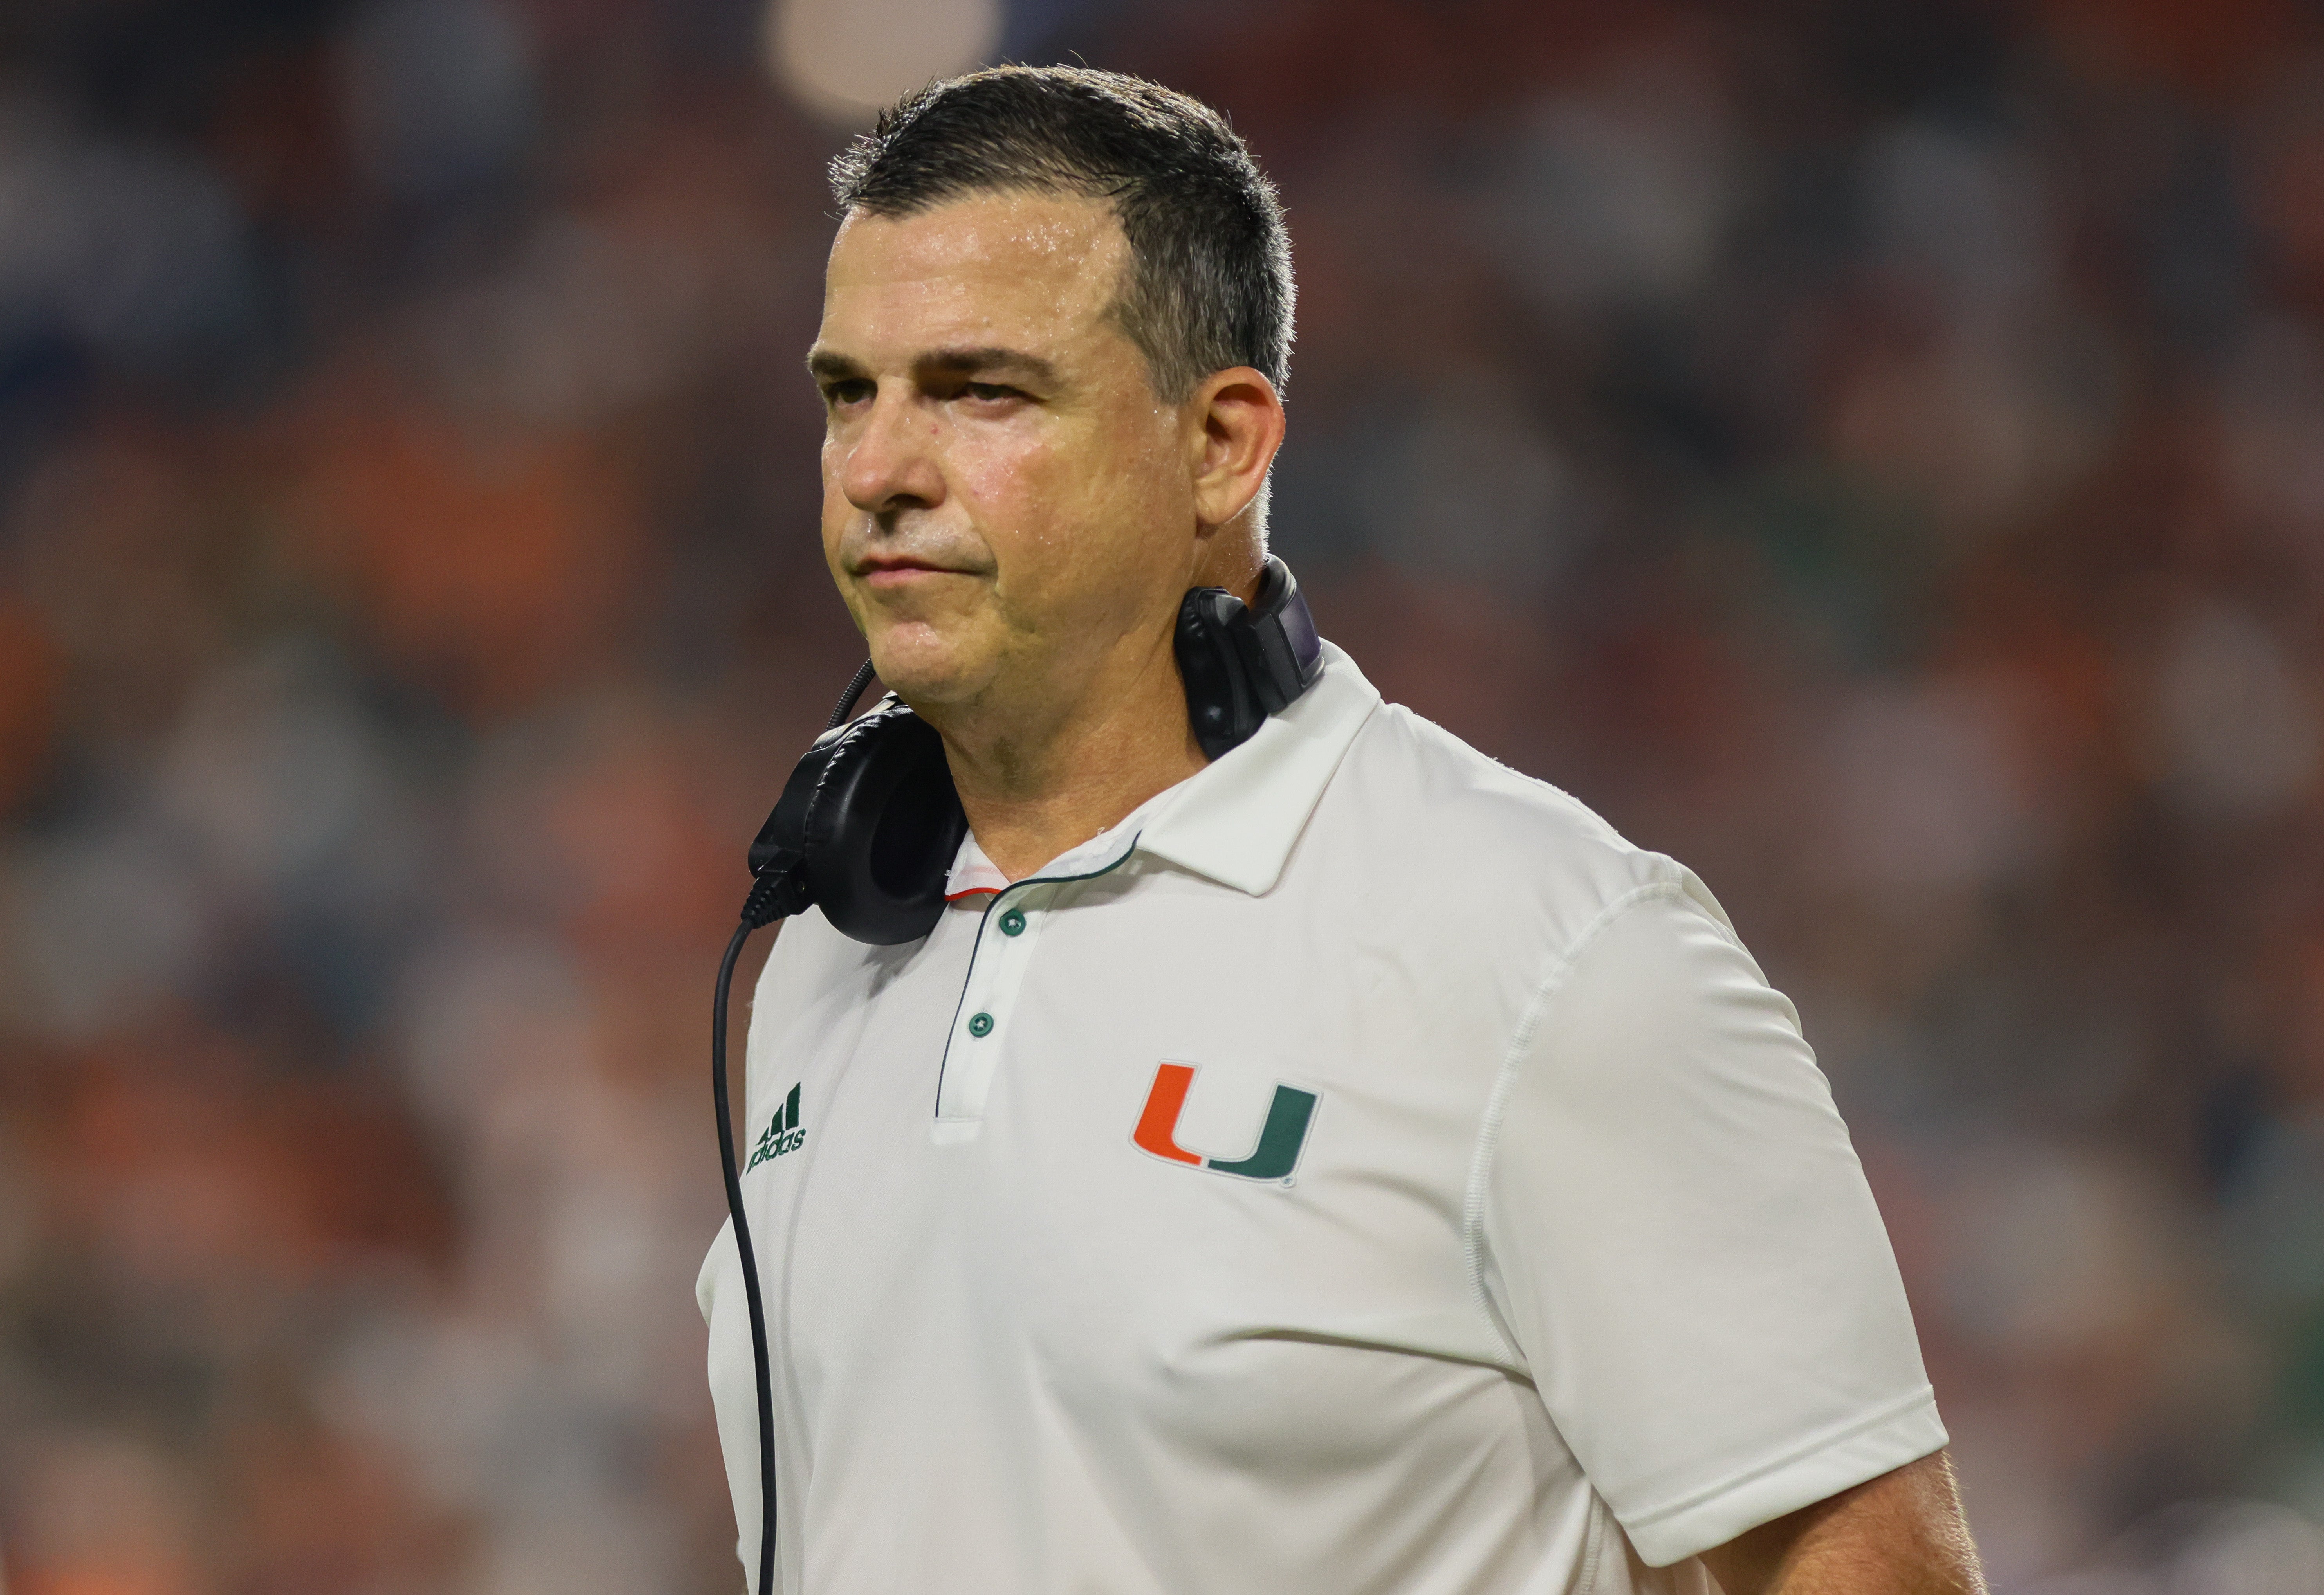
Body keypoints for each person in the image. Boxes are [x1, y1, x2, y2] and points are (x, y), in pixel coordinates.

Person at [697, 64, 1987, 1595]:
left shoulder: (1545, 947)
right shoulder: (829, 960)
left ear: (1224, 444)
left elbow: (1857, 1558)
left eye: (984, 391)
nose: (878, 469)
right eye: (853, 390)